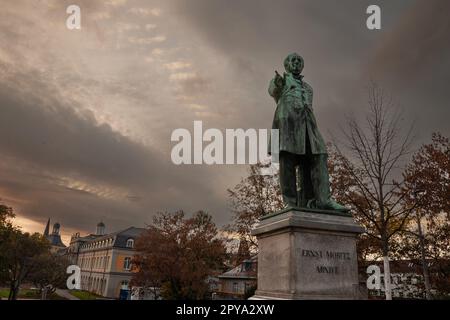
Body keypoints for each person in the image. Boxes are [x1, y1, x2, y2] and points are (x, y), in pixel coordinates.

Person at [268, 53, 347, 212]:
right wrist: (277, 84)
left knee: (319, 155)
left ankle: (322, 200)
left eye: (299, 61)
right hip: (287, 125)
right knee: (287, 161)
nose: (296, 63)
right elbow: (273, 92)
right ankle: (290, 202)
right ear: (287, 65)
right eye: (293, 60)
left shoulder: (308, 88)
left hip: (308, 126)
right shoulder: (282, 81)